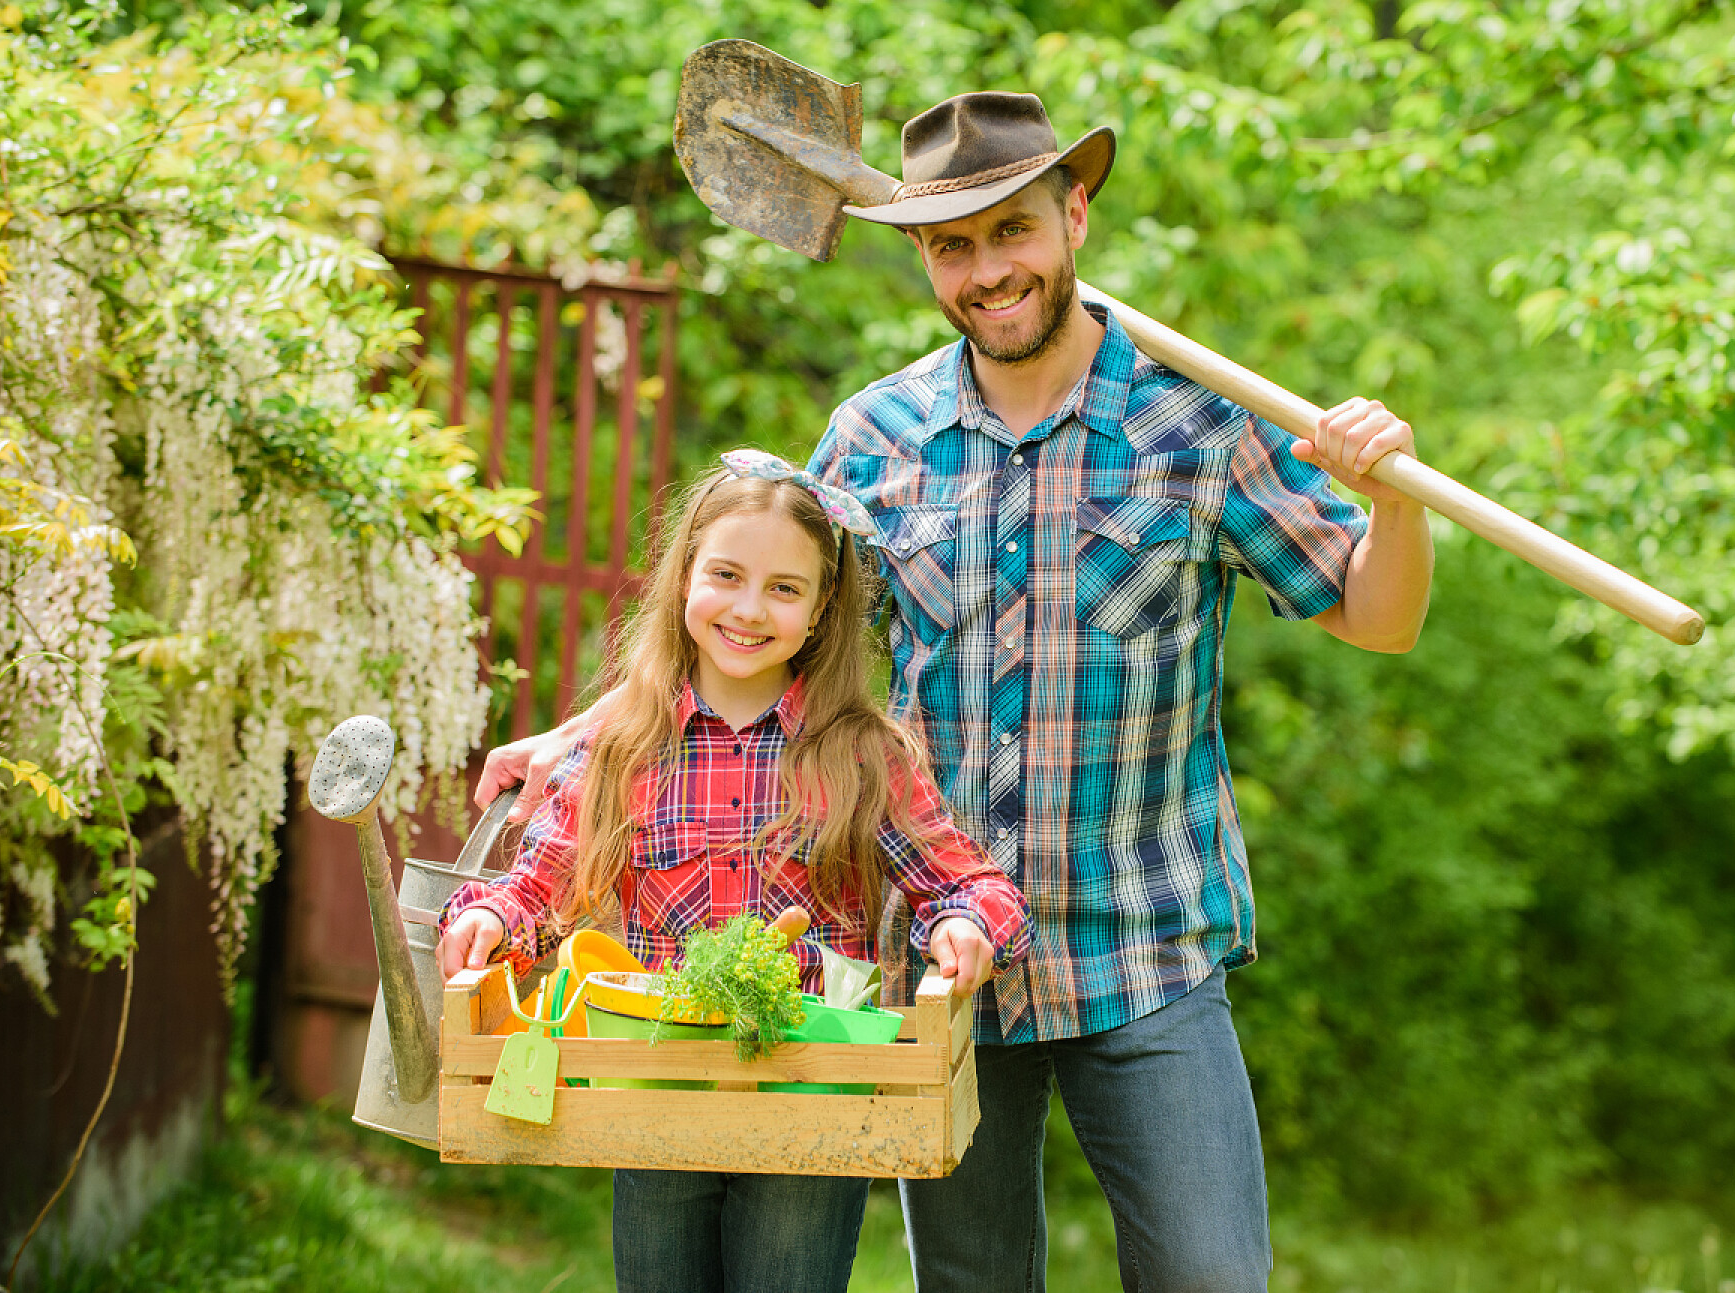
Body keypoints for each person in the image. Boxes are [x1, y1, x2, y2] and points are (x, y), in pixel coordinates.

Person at [479, 93, 1433, 1293]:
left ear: (1073, 215)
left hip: (1142, 946)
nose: (988, 271)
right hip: (941, 959)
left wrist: (1392, 500)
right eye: (952, 245)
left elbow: (1379, 618)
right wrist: (572, 740)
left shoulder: (1200, 425)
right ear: (923, 255)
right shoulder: (875, 437)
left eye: (1013, 232)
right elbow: (754, 637)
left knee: (1210, 1276)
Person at [438, 450, 1032, 1293]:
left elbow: (974, 884)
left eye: (785, 589)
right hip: (658, 1086)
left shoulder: (862, 755)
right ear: (684, 577)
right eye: (726, 575)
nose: (749, 609)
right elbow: (540, 886)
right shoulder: (621, 748)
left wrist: (964, 922)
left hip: (807, 1093)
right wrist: (493, 919)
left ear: (823, 609)